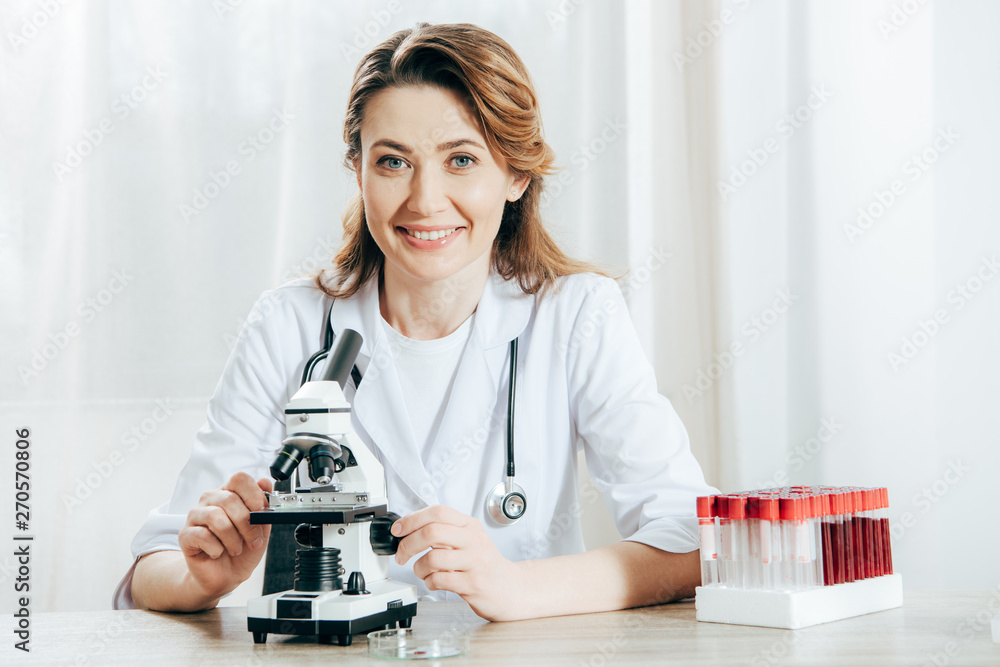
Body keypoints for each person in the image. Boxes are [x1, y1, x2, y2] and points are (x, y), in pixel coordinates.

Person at [115, 22, 717, 622]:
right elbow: (153, 567)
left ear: (516, 175)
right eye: (393, 162)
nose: (426, 200)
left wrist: (516, 589)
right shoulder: (288, 324)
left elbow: (694, 539)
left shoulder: (577, 314)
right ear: (359, 172)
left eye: (460, 159)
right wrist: (202, 577)